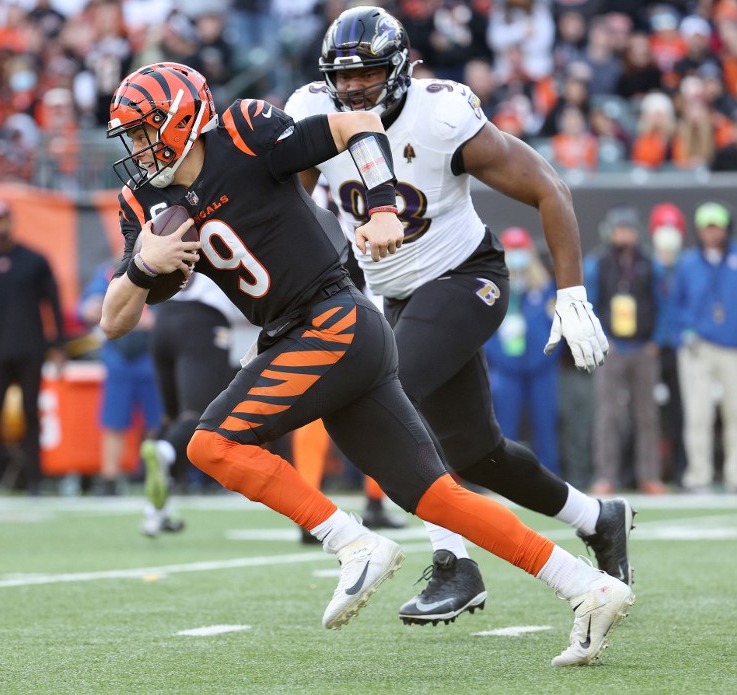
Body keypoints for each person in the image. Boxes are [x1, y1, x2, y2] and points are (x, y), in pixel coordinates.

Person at [100, 61, 633, 666]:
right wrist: (146, 266)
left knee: (211, 445)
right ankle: (587, 587)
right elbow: (113, 319)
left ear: (184, 120)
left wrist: (382, 206)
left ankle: (352, 543)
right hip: (317, 333)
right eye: (132, 136)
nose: (139, 148)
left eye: (145, 131)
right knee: (437, 496)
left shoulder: (246, 130)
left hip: (333, 320)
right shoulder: (142, 199)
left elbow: (355, 122)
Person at [285, 6, 632, 628]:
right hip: (395, 295)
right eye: (345, 76)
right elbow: (283, 203)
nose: (355, 87)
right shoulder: (312, 113)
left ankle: (454, 563)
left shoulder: (442, 115)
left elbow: (549, 187)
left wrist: (572, 293)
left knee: (386, 398)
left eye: (368, 74)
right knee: (477, 453)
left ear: (397, 69)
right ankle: (596, 518)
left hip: (466, 278)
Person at [0, 199, 66, 495]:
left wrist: (58, 345)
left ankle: (35, 480)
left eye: (3, 218)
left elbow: (53, 303)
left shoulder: (34, 260)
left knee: (31, 414)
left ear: (11, 221)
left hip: (30, 349)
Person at [671, 202, 737, 493]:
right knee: (698, 414)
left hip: (734, 347)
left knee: (736, 413)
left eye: (717, 227)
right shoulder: (688, 262)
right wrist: (682, 336)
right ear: (699, 230)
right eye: (707, 227)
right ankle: (698, 476)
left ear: (727, 228)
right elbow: (675, 304)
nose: (712, 233)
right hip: (697, 347)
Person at [137, 272, 244, 536]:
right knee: (199, 416)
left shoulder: (171, 230)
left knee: (172, 420)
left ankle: (155, 513)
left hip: (164, 319)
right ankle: (165, 451)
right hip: (203, 323)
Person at [585, 205, 664, 495]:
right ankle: (605, 475)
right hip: (612, 348)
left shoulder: (648, 263)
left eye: (628, 230)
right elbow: (590, 303)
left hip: (643, 347)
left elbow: (662, 302)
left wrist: (657, 339)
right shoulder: (599, 263)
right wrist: (603, 338)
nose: (624, 235)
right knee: (608, 414)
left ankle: (649, 474)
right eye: (619, 230)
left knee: (647, 414)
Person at [78, 257, 162, 497]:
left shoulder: (160, 268)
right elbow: (86, 307)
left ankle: (155, 473)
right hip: (119, 357)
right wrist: (91, 307)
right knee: (114, 420)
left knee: (155, 421)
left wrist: (155, 319)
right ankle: (110, 476)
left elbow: (169, 306)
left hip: (149, 355)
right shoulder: (108, 272)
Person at [483, 228, 560, 474]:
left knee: (545, 423)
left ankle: (551, 477)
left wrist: (541, 360)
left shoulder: (546, 288)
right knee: (504, 425)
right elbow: (485, 333)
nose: (517, 256)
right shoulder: (493, 289)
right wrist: (505, 361)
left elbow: (557, 329)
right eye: (512, 250)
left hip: (541, 368)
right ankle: (504, 477)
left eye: (520, 250)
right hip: (506, 369)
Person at [649, 202, 688, 484]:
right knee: (644, 412)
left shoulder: (687, 266)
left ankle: (681, 468)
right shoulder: (645, 266)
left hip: (681, 348)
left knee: (682, 411)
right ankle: (645, 471)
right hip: (650, 348)